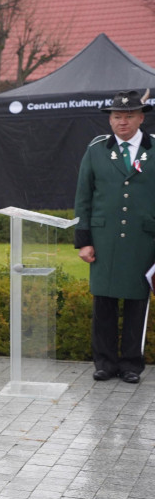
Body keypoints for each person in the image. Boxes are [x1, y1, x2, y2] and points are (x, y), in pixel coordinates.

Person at [74, 89, 154, 385]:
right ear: (110, 120)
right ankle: (105, 363)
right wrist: (84, 240)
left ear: (141, 117)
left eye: (129, 115)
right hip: (104, 238)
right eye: (117, 116)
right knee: (104, 303)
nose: (123, 121)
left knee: (137, 303)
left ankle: (132, 364)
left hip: (143, 239)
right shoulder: (96, 150)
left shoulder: (154, 148)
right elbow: (83, 197)